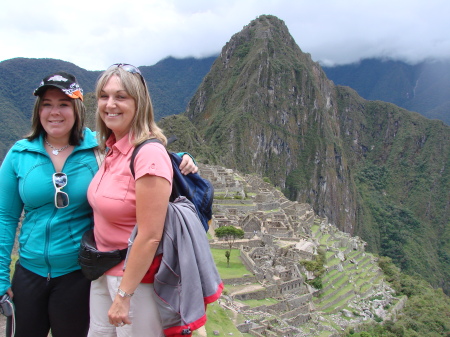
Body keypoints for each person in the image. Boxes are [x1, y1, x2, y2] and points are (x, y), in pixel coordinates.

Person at [0, 71, 197, 337]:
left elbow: (141, 151)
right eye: (47, 104)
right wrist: (1, 275)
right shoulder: (20, 153)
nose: (54, 112)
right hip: (29, 271)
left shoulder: (97, 147)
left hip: (78, 274)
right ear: (38, 110)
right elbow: (5, 216)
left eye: (63, 104)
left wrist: (180, 159)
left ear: (77, 108)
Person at [86, 64, 173, 337]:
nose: (110, 104)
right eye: (104, 96)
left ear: (139, 103)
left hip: (133, 283)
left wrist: (124, 294)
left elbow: (149, 235)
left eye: (121, 97)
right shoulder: (112, 150)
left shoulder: (148, 155)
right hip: (102, 273)